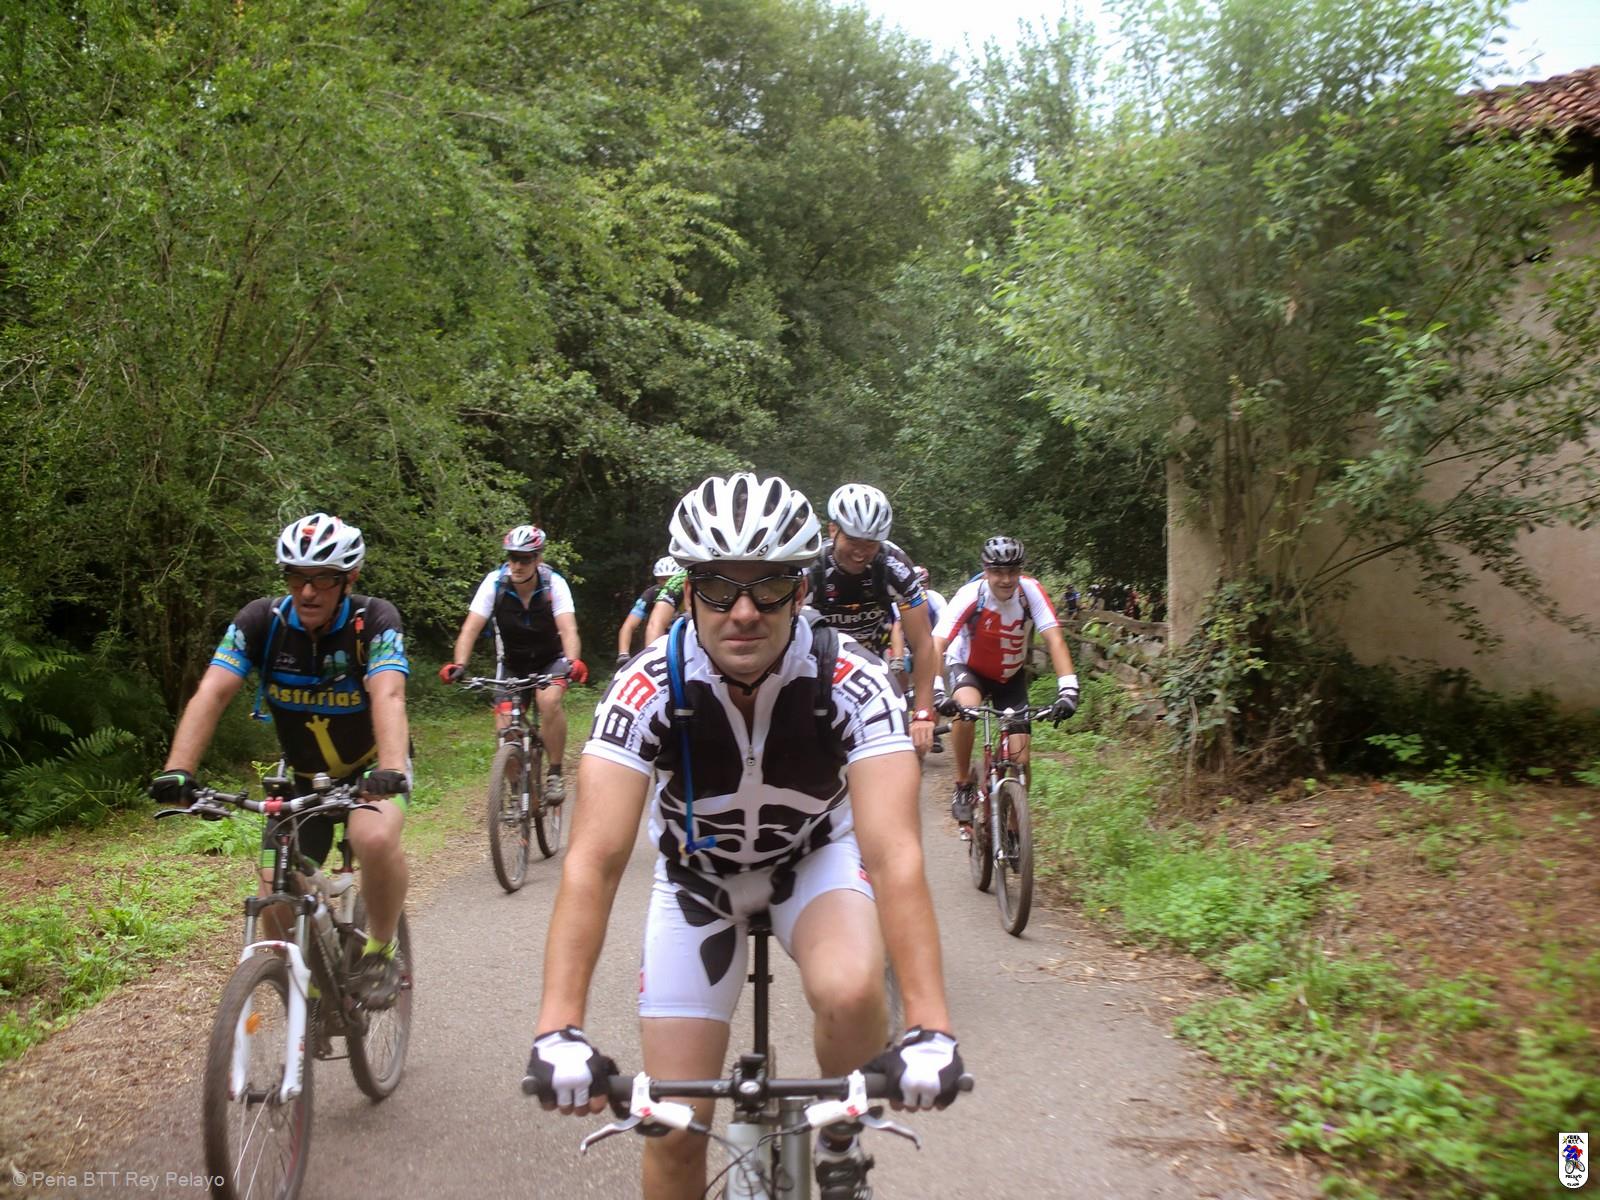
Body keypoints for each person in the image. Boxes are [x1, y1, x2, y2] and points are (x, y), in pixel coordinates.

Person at [524, 473, 965, 1200]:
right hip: (698, 879)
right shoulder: (645, 687)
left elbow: (893, 854)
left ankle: (841, 1138)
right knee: (672, 1129)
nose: (744, 612)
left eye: (769, 586)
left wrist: (930, 1027)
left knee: (853, 989)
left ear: (801, 592)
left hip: (812, 861)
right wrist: (558, 1027)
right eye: (718, 587)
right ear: (688, 592)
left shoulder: (850, 678)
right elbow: (593, 861)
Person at [148, 513, 412, 1005]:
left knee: (372, 837)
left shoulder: (373, 621)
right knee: (274, 892)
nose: (307, 592)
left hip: (370, 771)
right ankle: (312, 997)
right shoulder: (261, 622)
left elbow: (389, 694)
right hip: (302, 777)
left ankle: (380, 947)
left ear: (349, 579)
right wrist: (178, 770)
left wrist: (391, 768)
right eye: (296, 577)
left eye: (322, 579)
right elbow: (212, 692)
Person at [932, 535, 1079, 838]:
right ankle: (963, 783)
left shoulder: (1030, 592)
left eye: (1013, 571)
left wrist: (1069, 690)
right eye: (998, 571)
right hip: (969, 668)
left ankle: (1014, 830)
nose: (1006, 579)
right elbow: (938, 643)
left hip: (1009, 677)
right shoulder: (971, 595)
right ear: (985, 570)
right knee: (966, 711)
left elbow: (1055, 640)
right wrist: (936, 689)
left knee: (1021, 760)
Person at [439, 525, 588, 802]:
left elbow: (568, 629)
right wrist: (459, 664)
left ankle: (554, 773)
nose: (517, 565)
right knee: (505, 730)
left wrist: (572, 661)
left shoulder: (553, 584)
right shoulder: (495, 583)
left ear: (538, 559)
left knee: (548, 701)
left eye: (524, 559)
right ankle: (517, 790)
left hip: (550, 661)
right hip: (512, 664)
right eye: (512, 557)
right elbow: (470, 628)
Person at [806, 484, 938, 755]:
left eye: (871, 543)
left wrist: (923, 712)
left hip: (872, 668)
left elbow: (923, 643)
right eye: (853, 540)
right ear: (833, 530)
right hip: (818, 665)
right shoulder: (812, 567)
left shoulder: (893, 565)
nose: (861, 551)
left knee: (903, 750)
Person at [615, 555, 679, 669]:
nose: (667, 583)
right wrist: (623, 654)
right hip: (659, 643)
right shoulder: (651, 593)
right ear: (657, 579)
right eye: (663, 579)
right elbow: (628, 626)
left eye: (671, 578)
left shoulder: (689, 592)